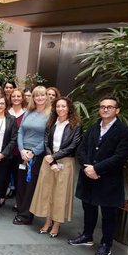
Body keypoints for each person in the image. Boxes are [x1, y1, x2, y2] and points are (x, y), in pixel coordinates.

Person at [68, 96, 128, 255]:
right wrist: (87, 168)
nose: (105, 109)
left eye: (109, 107)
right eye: (102, 106)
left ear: (117, 110)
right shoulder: (93, 127)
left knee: (108, 214)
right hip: (88, 176)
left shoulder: (125, 131)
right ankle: (87, 235)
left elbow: (120, 157)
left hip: (108, 179)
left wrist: (96, 169)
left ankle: (106, 244)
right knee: (88, 208)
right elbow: (81, 149)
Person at [31, 97, 82, 237]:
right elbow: (46, 142)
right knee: (47, 192)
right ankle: (47, 222)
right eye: (58, 106)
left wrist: (54, 157)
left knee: (60, 194)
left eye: (63, 106)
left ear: (69, 108)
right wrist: (51, 160)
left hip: (65, 162)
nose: (60, 109)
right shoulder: (51, 122)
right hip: (48, 161)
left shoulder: (76, 125)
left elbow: (73, 146)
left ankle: (57, 224)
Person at [14, 86, 50, 225]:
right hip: (23, 153)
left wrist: (33, 152)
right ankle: (21, 210)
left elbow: (48, 138)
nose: (39, 98)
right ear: (33, 98)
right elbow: (20, 132)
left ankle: (26, 216)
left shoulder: (50, 114)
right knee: (21, 182)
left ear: (46, 97)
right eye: (37, 95)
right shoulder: (29, 112)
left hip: (37, 154)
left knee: (31, 185)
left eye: (42, 95)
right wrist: (22, 150)